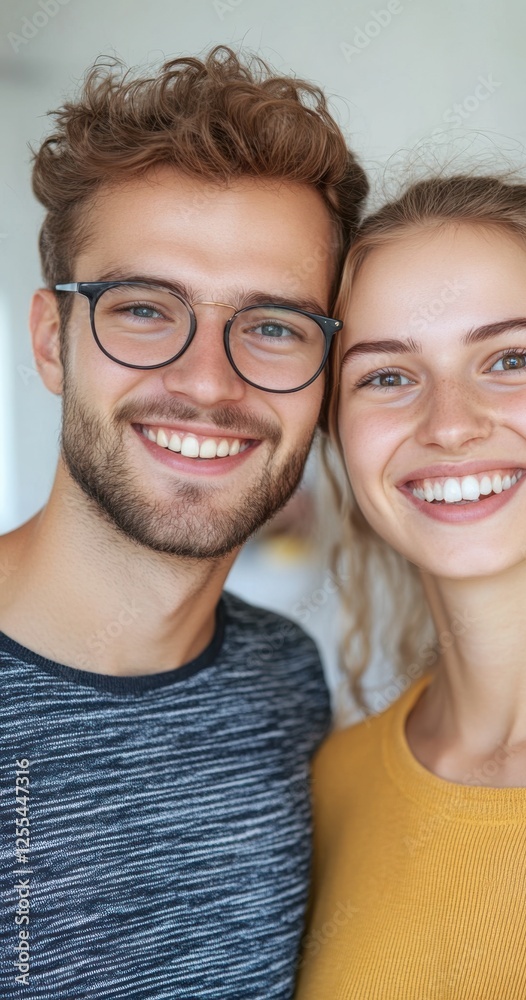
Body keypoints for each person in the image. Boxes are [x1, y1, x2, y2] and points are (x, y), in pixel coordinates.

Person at [0, 46, 367, 998]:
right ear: (53, 341)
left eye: (274, 325)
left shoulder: (285, 678)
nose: (207, 381)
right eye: (144, 309)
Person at [296, 174, 526, 997]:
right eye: (386, 377)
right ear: (333, 428)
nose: (450, 422)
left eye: (510, 359)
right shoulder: (327, 790)